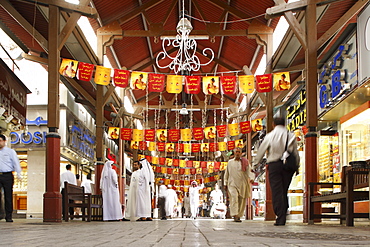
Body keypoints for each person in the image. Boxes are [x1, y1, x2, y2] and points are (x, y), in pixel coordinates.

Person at [254, 117, 299, 226]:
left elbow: (261, 150)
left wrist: (255, 163)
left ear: (273, 124)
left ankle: (280, 216)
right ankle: (284, 212)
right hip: (288, 165)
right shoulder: (290, 135)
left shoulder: (270, 136)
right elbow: (295, 152)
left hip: (274, 165)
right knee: (284, 190)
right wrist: (297, 166)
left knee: (277, 191)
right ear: (284, 124)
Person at [224, 148, 254, 222]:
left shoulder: (245, 162)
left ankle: (239, 215)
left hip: (242, 184)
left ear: (241, 153)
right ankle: (235, 214)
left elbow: (249, 171)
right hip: (232, 184)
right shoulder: (230, 162)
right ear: (234, 153)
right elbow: (226, 173)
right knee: (234, 198)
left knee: (241, 200)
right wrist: (225, 183)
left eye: (239, 152)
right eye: (236, 152)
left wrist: (251, 178)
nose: (237, 153)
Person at [0, 134, 22, 222]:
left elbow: (16, 162)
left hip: (7, 175)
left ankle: (8, 215)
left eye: (0, 140)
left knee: (8, 196)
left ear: (5, 141)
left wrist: (19, 173)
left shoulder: (10, 152)